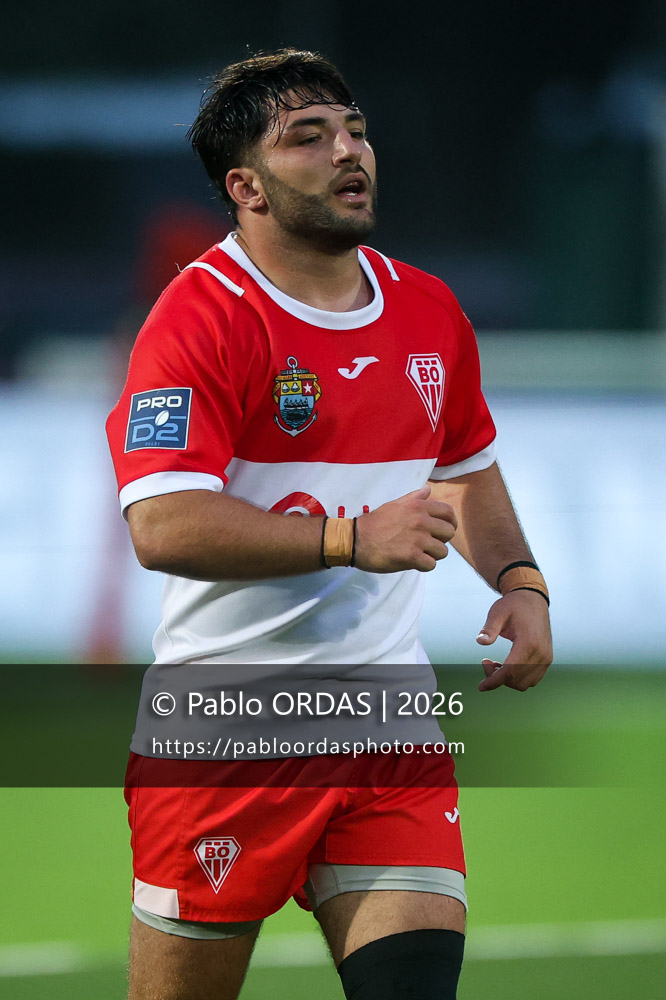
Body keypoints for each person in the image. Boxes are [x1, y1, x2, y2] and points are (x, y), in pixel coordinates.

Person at [106, 49, 552, 1000]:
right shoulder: (200, 318)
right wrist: (352, 538)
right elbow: (164, 523)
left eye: (353, 129)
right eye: (306, 139)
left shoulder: (426, 308)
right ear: (247, 187)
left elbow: (466, 469)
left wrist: (519, 583)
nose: (348, 151)